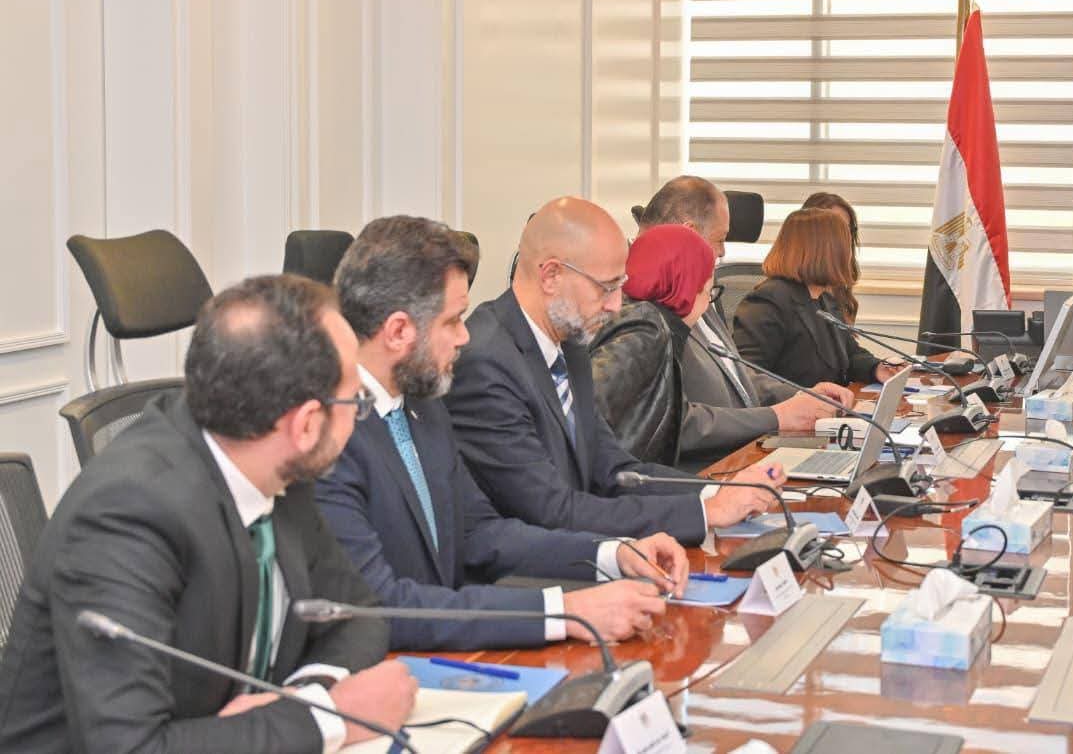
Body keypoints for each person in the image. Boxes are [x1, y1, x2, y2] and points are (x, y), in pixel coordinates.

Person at [0, 275, 416, 754]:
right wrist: (330, 718)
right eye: (354, 401)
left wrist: (306, 694)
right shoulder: (126, 514)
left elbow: (357, 614)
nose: (358, 415)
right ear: (305, 425)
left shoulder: (273, 463)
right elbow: (131, 748)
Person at [318, 216, 687, 653]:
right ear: (398, 331)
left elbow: (481, 535)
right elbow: (383, 605)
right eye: (453, 321)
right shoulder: (328, 437)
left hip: (445, 654)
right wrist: (565, 611)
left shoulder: (423, 406)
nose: (465, 336)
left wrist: (614, 553)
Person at [444, 197, 781, 545]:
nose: (616, 305)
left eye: (620, 285)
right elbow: (551, 511)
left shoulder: (569, 344)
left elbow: (615, 471)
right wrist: (705, 513)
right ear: (551, 276)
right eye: (606, 287)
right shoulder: (486, 362)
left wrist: (720, 491)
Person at [629, 177, 854, 471]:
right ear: (690, 233)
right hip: (703, 472)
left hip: (746, 454)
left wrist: (802, 396)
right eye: (720, 238)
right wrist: (776, 416)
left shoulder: (693, 280)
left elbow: (734, 372)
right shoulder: (635, 296)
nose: (723, 252)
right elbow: (673, 423)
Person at [733, 208, 901, 390]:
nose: (849, 254)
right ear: (824, 252)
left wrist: (876, 368)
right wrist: (804, 397)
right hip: (796, 406)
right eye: (844, 246)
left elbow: (850, 354)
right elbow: (748, 377)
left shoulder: (824, 299)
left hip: (832, 404)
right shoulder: (768, 302)